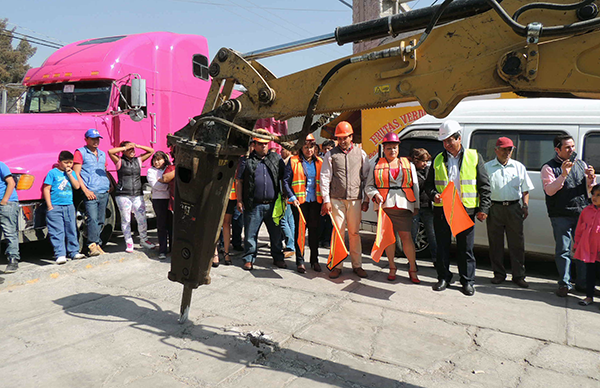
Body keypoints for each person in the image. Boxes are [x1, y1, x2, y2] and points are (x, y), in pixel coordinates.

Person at [425, 120, 491, 296]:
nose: (446, 144)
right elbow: (428, 186)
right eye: (444, 141)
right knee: (442, 247)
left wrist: (483, 208)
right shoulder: (438, 159)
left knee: (465, 249)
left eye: (449, 140)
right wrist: (434, 195)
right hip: (443, 210)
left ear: (459, 138)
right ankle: (444, 277)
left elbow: (484, 185)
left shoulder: (474, 157)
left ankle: (467, 281)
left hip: (465, 210)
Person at [542, 134, 596, 297]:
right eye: (567, 147)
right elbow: (550, 190)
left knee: (582, 249)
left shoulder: (581, 164)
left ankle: (582, 283)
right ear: (557, 149)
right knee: (563, 250)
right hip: (561, 214)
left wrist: (591, 180)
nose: (572, 150)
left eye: (572, 146)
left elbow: (589, 191)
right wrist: (563, 175)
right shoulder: (549, 167)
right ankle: (564, 284)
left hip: (581, 213)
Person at [366, 132, 420, 283]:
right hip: (385, 207)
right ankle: (392, 267)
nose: (392, 151)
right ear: (384, 148)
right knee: (389, 239)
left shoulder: (408, 164)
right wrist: (375, 194)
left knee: (406, 238)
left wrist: (416, 206)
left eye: (395, 147)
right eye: (389, 148)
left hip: (404, 205)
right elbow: (369, 186)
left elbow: (415, 186)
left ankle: (412, 268)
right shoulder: (376, 165)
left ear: (398, 148)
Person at [321, 121, 370, 279]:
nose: (342, 141)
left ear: (351, 137)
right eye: (339, 138)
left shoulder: (361, 154)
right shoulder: (331, 154)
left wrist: (366, 199)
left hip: (355, 199)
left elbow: (366, 177)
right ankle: (337, 265)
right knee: (338, 233)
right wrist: (326, 200)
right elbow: (325, 177)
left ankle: (357, 265)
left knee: (355, 233)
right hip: (336, 199)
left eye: (345, 137)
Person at [484, 137, 534, 288]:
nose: (507, 152)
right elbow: (483, 190)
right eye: (504, 149)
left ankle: (519, 275)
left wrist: (525, 206)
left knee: (517, 244)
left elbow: (525, 190)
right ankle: (498, 274)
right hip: (494, 208)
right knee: (495, 243)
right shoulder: (487, 167)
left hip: (513, 208)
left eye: (510, 149)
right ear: (496, 150)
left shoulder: (518, 167)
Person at [236, 129, 287, 270]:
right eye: (260, 144)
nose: (263, 146)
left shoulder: (276, 158)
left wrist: (286, 196)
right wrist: (239, 200)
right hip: (253, 205)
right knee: (250, 235)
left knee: (276, 234)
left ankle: (278, 257)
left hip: (273, 205)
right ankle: (249, 259)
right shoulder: (246, 161)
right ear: (254, 144)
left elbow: (285, 177)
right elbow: (239, 181)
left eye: (265, 144)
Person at [283, 134, 323, 273]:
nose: (309, 150)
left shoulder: (320, 162)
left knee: (314, 232)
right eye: (306, 147)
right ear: (301, 148)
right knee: (300, 232)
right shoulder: (293, 161)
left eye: (311, 147)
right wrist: (292, 197)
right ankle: (300, 261)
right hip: (299, 203)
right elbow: (286, 182)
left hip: (315, 202)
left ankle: (314, 260)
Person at [108, 141, 155, 253]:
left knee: (141, 218)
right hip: (123, 194)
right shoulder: (120, 161)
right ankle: (129, 242)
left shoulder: (138, 160)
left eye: (133, 149)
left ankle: (144, 240)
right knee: (126, 219)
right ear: (124, 151)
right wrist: (124, 147)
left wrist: (138, 145)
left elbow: (151, 151)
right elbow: (110, 152)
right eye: (130, 149)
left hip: (137, 194)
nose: (132, 151)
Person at [73, 128, 111, 257]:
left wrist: (108, 185)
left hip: (103, 190)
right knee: (92, 219)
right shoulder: (80, 152)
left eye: (97, 139)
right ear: (86, 139)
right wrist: (85, 190)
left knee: (101, 219)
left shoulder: (102, 154)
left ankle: (97, 243)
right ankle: (91, 245)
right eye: (93, 139)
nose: (95, 141)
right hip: (90, 190)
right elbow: (76, 173)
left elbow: (104, 170)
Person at [43, 151, 86, 264]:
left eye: (70, 163)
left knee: (71, 229)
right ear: (59, 162)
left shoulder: (71, 173)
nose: (68, 165)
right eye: (65, 162)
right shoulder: (52, 173)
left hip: (69, 205)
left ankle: (74, 251)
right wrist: (49, 206)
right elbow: (46, 188)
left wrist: (70, 174)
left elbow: (77, 186)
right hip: (56, 206)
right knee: (57, 231)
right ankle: (60, 254)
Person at [573, 184, 600, 306]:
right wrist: (576, 244)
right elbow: (579, 229)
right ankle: (589, 296)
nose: (594, 197)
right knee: (590, 274)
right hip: (589, 250)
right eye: (593, 194)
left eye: (598, 195)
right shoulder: (586, 211)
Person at [410, 148, 437, 264]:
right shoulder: (410, 172)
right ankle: (412, 260)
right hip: (415, 206)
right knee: (413, 234)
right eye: (423, 161)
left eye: (427, 161)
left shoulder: (428, 170)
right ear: (416, 160)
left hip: (427, 207)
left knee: (432, 235)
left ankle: (436, 259)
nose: (425, 164)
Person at [147, 151, 172, 260]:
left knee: (171, 225)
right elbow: (155, 186)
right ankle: (162, 250)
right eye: (155, 160)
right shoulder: (151, 171)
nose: (157, 162)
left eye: (159, 159)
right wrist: (167, 184)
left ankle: (172, 248)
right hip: (159, 200)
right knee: (161, 225)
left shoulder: (169, 169)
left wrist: (163, 181)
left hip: (170, 200)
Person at [0, 160, 20, 273]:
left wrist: (4, 200)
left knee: (9, 232)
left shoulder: (1, 165)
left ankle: (13, 260)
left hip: (7, 203)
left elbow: (11, 182)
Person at [279, 147, 296, 258]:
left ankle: (290, 245)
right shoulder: (295, 161)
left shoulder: (288, 162)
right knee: (290, 222)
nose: (281, 152)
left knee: (283, 220)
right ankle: (292, 244)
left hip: (287, 196)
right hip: (292, 196)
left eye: (283, 149)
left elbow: (285, 181)